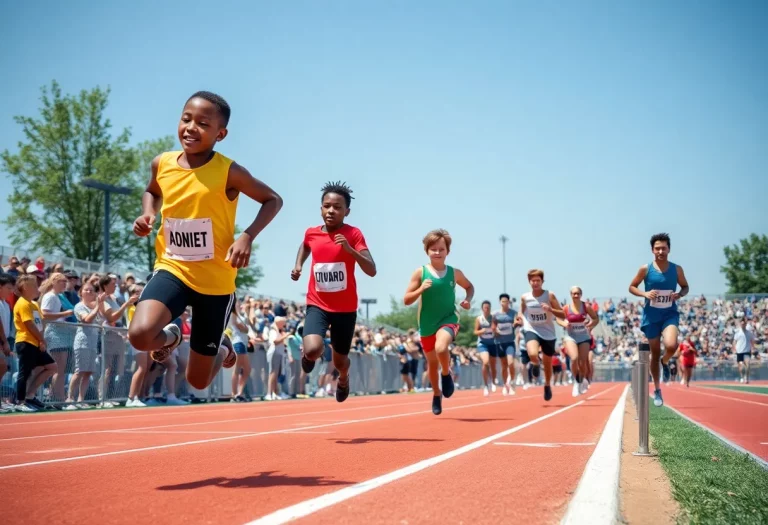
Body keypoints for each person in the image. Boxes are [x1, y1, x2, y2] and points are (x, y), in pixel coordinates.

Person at [128, 91, 283, 392]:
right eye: (186, 119)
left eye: (202, 123)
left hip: (215, 283)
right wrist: (148, 214)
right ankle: (172, 336)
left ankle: (223, 349)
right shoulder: (163, 163)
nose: (190, 128)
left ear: (220, 134)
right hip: (173, 268)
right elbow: (152, 190)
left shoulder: (229, 172)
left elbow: (272, 199)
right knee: (140, 334)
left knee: (197, 380)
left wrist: (247, 236)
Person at [291, 181, 376, 403]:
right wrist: (299, 264)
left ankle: (344, 378)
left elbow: (371, 269)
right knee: (312, 350)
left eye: (337, 207)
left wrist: (349, 250)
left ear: (347, 211)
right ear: (321, 208)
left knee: (339, 362)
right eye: (327, 206)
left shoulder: (354, 234)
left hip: (345, 308)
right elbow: (306, 245)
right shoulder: (311, 233)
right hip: (317, 303)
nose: (331, 210)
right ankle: (308, 354)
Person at [403, 229, 474, 415]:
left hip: (449, 319)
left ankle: (446, 373)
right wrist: (420, 290)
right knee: (431, 364)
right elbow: (406, 299)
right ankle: (436, 393)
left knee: (442, 348)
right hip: (427, 324)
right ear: (427, 251)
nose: (437, 252)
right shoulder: (421, 272)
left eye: (441, 249)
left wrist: (468, 299)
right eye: (433, 249)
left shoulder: (454, 273)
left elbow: (469, 286)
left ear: (447, 251)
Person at [629, 233, 689, 407]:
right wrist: (644, 293)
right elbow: (632, 286)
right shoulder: (645, 269)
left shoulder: (676, 269)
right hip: (651, 316)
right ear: (652, 250)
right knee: (654, 354)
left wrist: (680, 294)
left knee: (671, 345)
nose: (660, 251)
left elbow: (685, 286)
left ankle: (665, 361)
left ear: (669, 249)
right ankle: (657, 390)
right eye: (657, 248)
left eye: (663, 248)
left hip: (669, 314)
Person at [518, 269, 564, 401]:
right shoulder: (525, 297)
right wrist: (519, 318)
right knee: (532, 353)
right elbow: (521, 312)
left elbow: (562, 314)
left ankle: (547, 385)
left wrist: (550, 309)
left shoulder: (549, 296)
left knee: (548, 362)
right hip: (532, 328)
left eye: (538, 280)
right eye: (533, 280)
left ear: (542, 281)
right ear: (529, 282)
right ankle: (536, 363)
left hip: (548, 332)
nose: (535, 283)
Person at [13, 274, 57, 412]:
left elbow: (40, 323)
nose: (37, 287)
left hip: (36, 342)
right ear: (26, 287)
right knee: (24, 372)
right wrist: (41, 339)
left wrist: (41, 340)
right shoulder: (22, 303)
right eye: (34, 285)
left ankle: (30, 395)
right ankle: (20, 401)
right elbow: (29, 324)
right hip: (25, 341)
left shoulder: (34, 304)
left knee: (52, 367)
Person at [556, 286, 599, 397]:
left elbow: (596, 318)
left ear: (581, 294)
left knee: (583, 362)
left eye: (578, 293)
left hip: (584, 337)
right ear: (571, 295)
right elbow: (558, 318)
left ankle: (582, 380)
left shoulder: (586, 307)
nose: (576, 295)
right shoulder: (566, 308)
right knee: (574, 358)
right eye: (574, 293)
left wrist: (591, 325)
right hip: (571, 337)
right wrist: (564, 323)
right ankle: (577, 382)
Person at [493, 293, 519, 395]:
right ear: (500, 302)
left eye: (506, 301)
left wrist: (516, 324)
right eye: (503, 301)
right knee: (504, 366)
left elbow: (518, 322)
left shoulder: (513, 313)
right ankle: (505, 385)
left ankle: (512, 382)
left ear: (509, 302)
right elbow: (493, 326)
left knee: (511, 363)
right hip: (499, 342)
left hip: (510, 342)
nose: (504, 303)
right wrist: (496, 331)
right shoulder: (495, 314)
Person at [474, 300, 501, 397]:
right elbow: (475, 332)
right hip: (482, 343)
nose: (487, 309)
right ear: (482, 309)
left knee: (493, 365)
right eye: (485, 307)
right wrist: (482, 331)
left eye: (488, 307)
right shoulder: (479, 319)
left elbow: (497, 332)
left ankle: (493, 381)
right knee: (485, 362)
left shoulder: (493, 318)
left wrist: (496, 331)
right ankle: (485, 385)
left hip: (492, 343)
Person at [734, 318, 754, 384]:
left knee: (747, 364)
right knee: (741, 367)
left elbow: (752, 341)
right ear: (740, 324)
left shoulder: (749, 333)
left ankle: (746, 378)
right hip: (739, 351)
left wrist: (753, 348)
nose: (743, 325)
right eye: (742, 324)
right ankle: (742, 377)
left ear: (745, 324)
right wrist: (734, 349)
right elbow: (734, 342)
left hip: (747, 351)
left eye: (744, 324)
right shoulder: (738, 333)